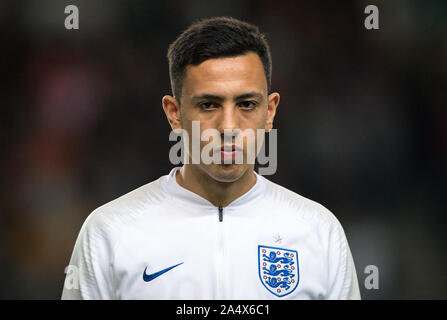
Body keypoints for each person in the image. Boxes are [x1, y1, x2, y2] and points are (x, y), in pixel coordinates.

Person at [61, 16, 360, 300]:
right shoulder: (110, 233)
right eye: (208, 105)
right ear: (174, 113)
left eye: (246, 104)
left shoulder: (319, 232)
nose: (228, 127)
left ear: (269, 112)